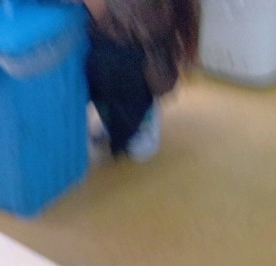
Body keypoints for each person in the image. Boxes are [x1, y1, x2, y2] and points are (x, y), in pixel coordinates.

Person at [83, 0, 200, 159]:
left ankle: (140, 123)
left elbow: (128, 23)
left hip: (140, 58)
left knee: (108, 62)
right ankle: (115, 120)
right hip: (123, 45)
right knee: (93, 59)